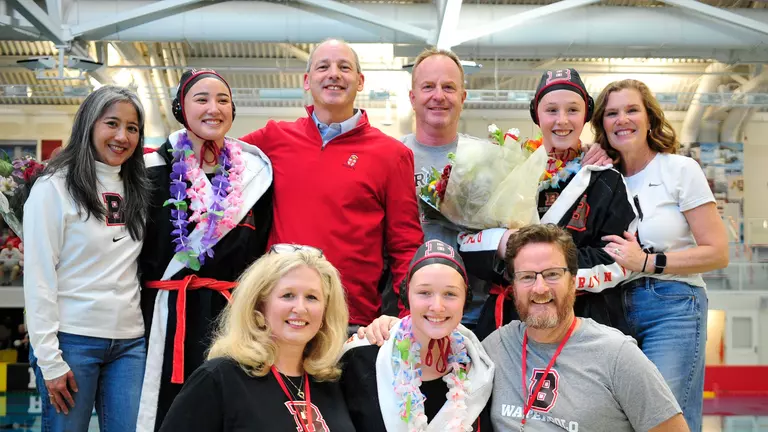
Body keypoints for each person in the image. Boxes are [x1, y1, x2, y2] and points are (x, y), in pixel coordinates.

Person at [240, 39, 423, 330]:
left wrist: (408, 320)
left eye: (344, 67)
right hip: (280, 315)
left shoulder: (392, 155)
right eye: (323, 66)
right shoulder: (273, 138)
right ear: (307, 80)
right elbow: (215, 156)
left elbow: (405, 245)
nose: (334, 74)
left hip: (351, 319)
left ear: (360, 81)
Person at [138, 69, 274, 431]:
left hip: (231, 319)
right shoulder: (150, 170)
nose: (213, 108)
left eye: (223, 100)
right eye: (201, 99)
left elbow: (262, 253)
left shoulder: (255, 177)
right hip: (166, 320)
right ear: (180, 108)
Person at [459, 68, 637, 341]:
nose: (562, 120)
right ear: (536, 114)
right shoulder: (506, 167)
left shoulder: (606, 180)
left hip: (582, 320)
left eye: (573, 110)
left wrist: (551, 273)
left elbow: (618, 257)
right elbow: (466, 241)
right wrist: (501, 241)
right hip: (508, 321)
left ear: (586, 114)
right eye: (551, 110)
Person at [593, 79, 729, 432]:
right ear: (602, 124)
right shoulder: (600, 178)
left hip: (671, 304)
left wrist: (648, 262)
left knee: (663, 420)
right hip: (609, 306)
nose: (622, 119)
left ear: (650, 118)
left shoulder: (680, 169)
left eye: (632, 110)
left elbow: (718, 253)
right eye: (612, 113)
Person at [24, 86, 150, 432]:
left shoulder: (139, 187)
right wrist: (49, 359)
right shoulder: (54, 188)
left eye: (132, 128)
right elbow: (38, 278)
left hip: (130, 343)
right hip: (72, 340)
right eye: (112, 123)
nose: (122, 136)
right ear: (89, 124)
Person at [484, 224, 687, 431]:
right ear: (514, 286)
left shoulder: (617, 355)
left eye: (552, 274)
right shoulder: (497, 346)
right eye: (527, 276)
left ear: (573, 282)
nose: (540, 288)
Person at [159, 244, 355, 432]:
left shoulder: (333, 380)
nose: (300, 308)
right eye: (288, 295)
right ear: (260, 305)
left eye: (312, 297)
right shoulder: (218, 378)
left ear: (326, 311)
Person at [341, 239, 494, 431]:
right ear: (406, 296)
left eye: (450, 294)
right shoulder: (361, 357)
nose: (437, 306)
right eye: (424, 292)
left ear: (466, 300)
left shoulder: (480, 369)